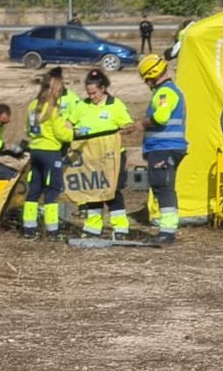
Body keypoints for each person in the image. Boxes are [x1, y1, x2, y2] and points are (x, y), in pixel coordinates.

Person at [73, 69, 134, 237]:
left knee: (113, 191)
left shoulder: (115, 105)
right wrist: (75, 131)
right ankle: (93, 228)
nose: (92, 96)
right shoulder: (82, 105)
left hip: (112, 156)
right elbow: (68, 124)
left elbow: (128, 125)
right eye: (89, 93)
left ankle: (120, 228)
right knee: (93, 190)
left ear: (103, 88)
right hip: (91, 157)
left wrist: (122, 131)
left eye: (94, 93)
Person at [135, 53, 187, 245]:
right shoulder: (169, 91)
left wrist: (143, 123)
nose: (147, 83)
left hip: (165, 148)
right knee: (163, 187)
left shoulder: (165, 93)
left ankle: (167, 231)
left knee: (163, 188)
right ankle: (167, 228)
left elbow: (162, 117)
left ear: (153, 75)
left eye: (147, 79)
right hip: (165, 148)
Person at [22, 72, 74, 240]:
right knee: (52, 190)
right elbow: (62, 134)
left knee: (34, 190)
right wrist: (72, 130)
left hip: (35, 151)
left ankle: (28, 229)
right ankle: (52, 231)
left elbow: (27, 129)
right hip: (51, 152)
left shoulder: (32, 105)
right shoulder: (53, 108)